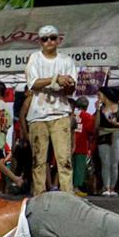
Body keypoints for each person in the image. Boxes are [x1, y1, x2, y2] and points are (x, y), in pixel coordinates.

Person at [24, 25, 77, 195]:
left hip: (60, 113)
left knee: (64, 160)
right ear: (39, 41)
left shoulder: (67, 61)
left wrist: (68, 83)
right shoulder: (34, 58)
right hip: (38, 115)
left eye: (52, 38)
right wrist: (55, 79)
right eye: (45, 39)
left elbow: (71, 90)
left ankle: (68, 196)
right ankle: (39, 197)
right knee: (38, 160)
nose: (49, 42)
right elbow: (32, 83)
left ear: (58, 39)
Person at [95, 86, 119, 197]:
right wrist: (98, 110)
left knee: (114, 162)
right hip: (103, 133)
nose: (98, 97)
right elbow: (96, 124)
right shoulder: (101, 108)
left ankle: (113, 187)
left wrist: (116, 124)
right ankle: (106, 187)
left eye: (99, 95)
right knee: (105, 161)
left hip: (116, 133)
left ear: (105, 95)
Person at [71, 97, 94, 197]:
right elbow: (91, 130)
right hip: (82, 145)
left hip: (69, 144)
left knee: (69, 166)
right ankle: (76, 187)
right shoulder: (88, 116)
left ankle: (67, 186)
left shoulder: (71, 114)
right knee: (79, 168)